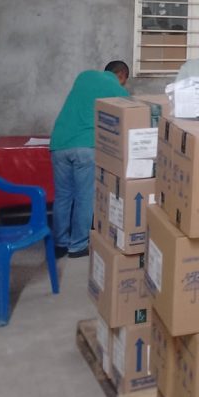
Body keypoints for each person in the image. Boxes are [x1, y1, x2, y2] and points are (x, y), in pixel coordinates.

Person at [50, 60, 130, 258]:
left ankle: (59, 243)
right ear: (121, 76)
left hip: (59, 143)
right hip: (85, 146)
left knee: (63, 196)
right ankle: (77, 245)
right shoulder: (119, 91)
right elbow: (125, 120)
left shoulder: (84, 76)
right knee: (84, 196)